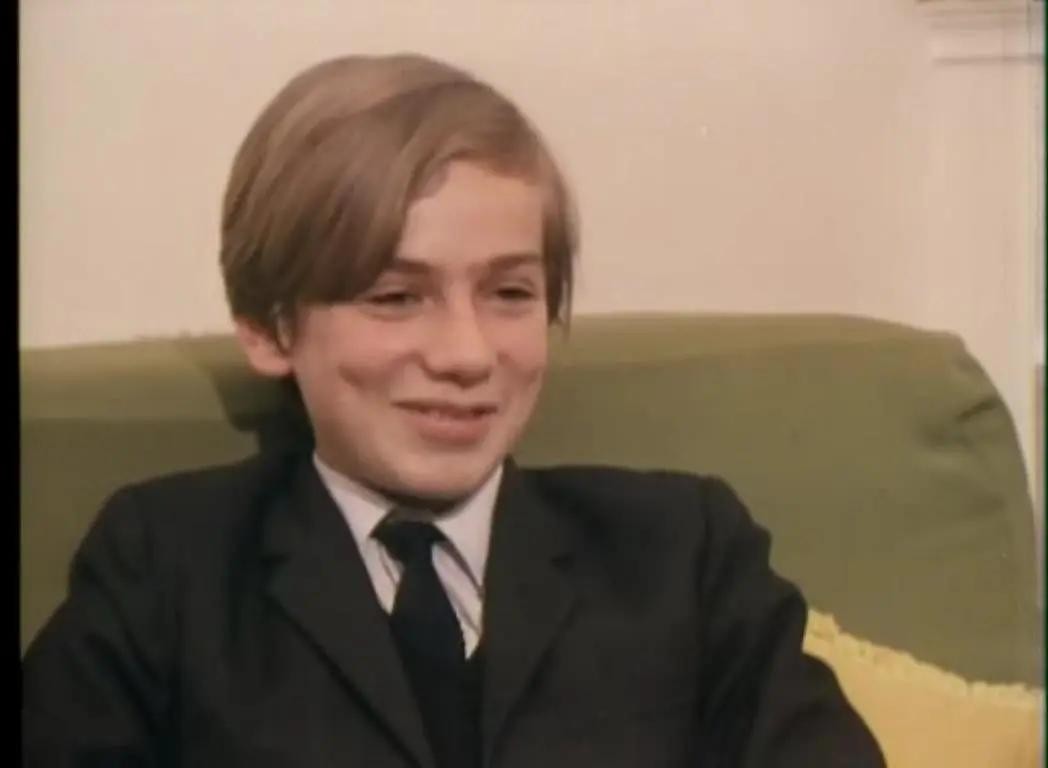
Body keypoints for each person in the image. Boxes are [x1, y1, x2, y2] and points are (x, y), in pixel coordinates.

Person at [22, 53, 884, 767]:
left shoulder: (682, 555)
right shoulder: (165, 569)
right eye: (396, 297)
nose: (468, 355)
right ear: (269, 328)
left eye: (510, 293)